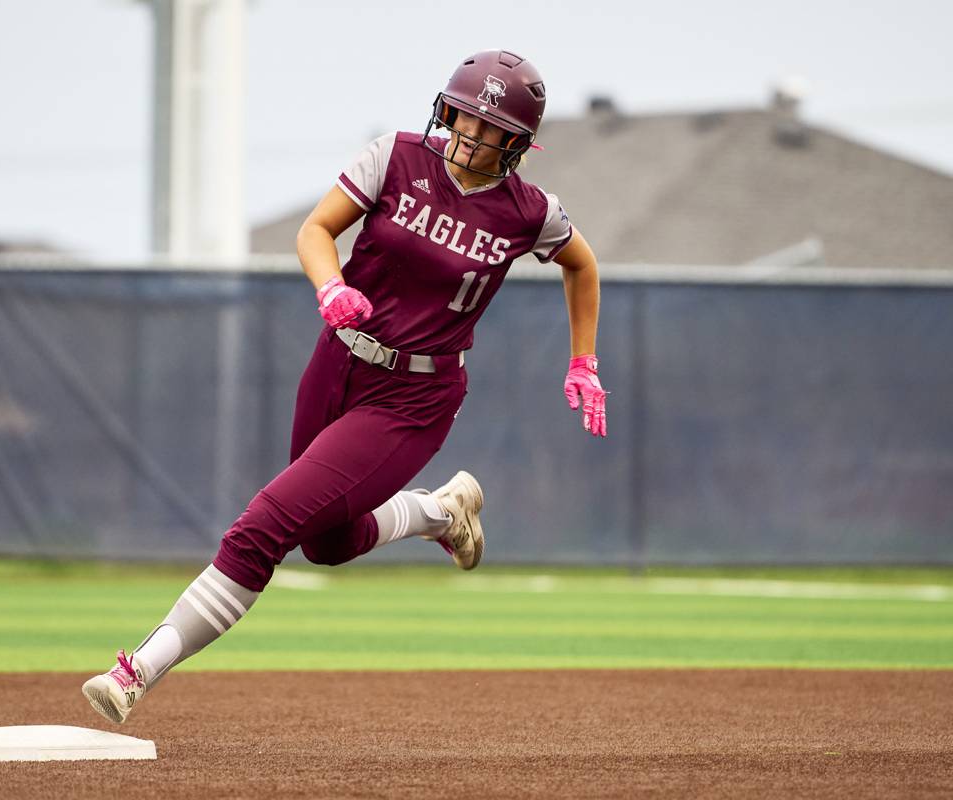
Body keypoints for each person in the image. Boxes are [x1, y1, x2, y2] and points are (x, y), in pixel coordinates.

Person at [82, 48, 608, 725]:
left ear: (518, 143)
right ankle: (440, 514)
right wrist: (330, 287)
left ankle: (136, 672)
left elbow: (582, 265)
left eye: (490, 128)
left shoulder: (528, 211)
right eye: (464, 118)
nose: (471, 137)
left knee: (262, 529)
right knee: (325, 544)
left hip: (414, 398)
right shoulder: (396, 156)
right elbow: (316, 229)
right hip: (337, 361)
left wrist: (583, 361)